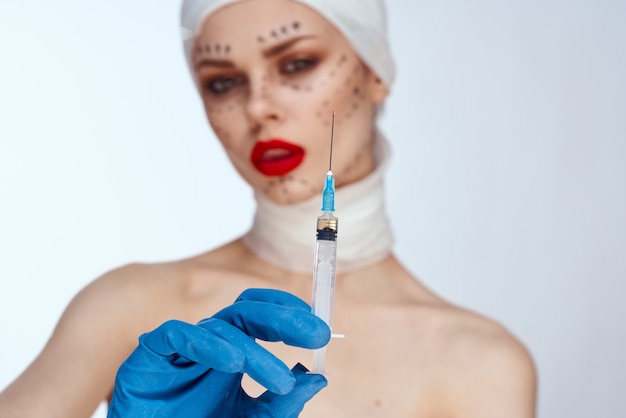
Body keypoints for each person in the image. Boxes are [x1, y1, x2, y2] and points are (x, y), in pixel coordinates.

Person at [0, 0, 537, 416]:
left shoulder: (481, 364)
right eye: (223, 81)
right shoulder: (127, 308)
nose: (258, 106)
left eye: (297, 63)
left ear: (376, 73)